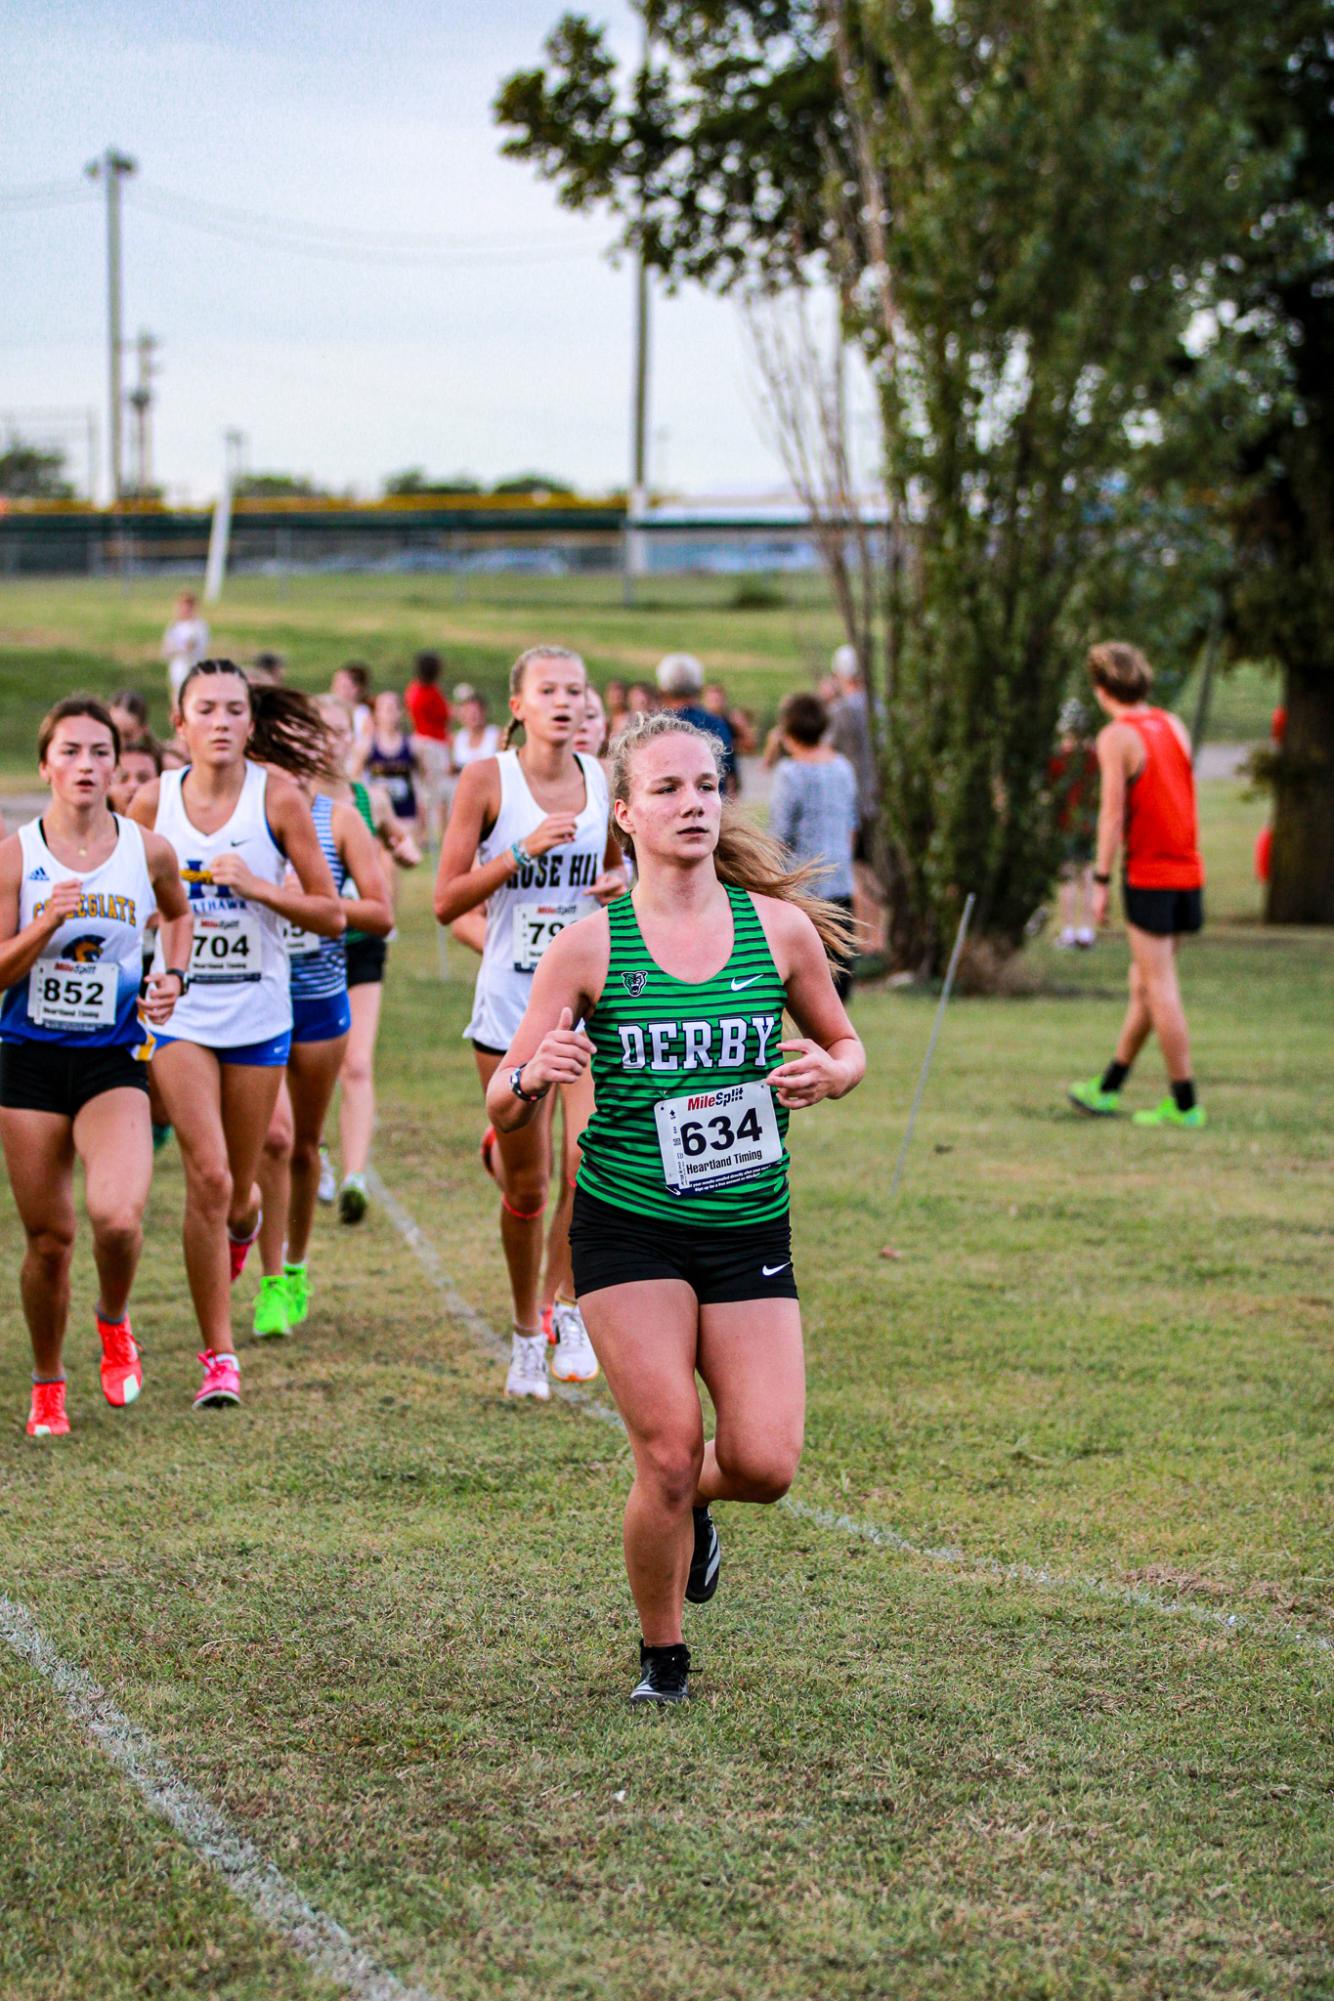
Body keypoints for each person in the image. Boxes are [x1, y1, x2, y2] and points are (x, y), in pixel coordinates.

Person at [486, 713, 864, 1704]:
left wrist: (830, 1072)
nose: (692, 803)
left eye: (704, 786)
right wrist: (535, 1075)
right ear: (626, 813)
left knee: (762, 1462)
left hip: (745, 1227)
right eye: (666, 789)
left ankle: (692, 1511)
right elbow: (501, 1094)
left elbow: (847, 1044)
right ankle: (664, 1659)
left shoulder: (775, 931)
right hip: (626, 1226)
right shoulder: (586, 948)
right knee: (662, 1451)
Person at [129, 664, 345, 1407]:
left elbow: (330, 912)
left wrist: (254, 884)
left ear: (252, 723)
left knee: (243, 1190)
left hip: (259, 1014)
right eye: (205, 710)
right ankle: (218, 1357)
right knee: (210, 1176)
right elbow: (127, 902)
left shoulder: (277, 797)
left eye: (234, 709)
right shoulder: (152, 800)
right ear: (179, 723)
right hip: (181, 1013)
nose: (220, 721)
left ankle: (247, 1228)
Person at [434, 645, 626, 1398]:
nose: (566, 701)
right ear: (518, 704)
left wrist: (617, 884)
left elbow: (615, 876)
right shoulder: (488, 779)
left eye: (576, 690)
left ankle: (565, 1305)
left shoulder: (603, 778)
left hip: (585, 1007)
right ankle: (522, 1333)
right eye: (548, 689)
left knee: (593, 1162)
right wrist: (518, 851)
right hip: (510, 1007)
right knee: (529, 1187)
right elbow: (446, 900)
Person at [0, 698, 192, 1438]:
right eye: (71, 751)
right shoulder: (17, 857)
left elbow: (178, 916)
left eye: (99, 752)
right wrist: (44, 923)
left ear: (118, 763)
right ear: (46, 764)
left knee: (116, 1216)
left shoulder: (147, 850)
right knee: (49, 1240)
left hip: (113, 1058)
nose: (86, 765)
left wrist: (173, 975)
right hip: (29, 1061)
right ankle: (48, 1381)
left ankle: (114, 1319)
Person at [254, 763, 393, 1336]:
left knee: (301, 1146)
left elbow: (379, 915)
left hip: (315, 1001)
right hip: (248, 1003)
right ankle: (258, 1253)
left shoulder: (337, 820)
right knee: (268, 1140)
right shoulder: (240, 821)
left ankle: (291, 1269)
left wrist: (316, 900)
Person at [1068, 642, 1207, 1129]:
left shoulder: (1116, 737)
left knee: (1159, 987)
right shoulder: (1174, 725)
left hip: (1149, 875)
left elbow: (1111, 815)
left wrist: (1101, 881)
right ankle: (1107, 1087)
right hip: (1188, 872)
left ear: (1102, 690)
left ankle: (1185, 1103)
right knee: (1144, 986)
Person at [316, 696, 421, 1224]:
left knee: (356, 1064)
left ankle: (355, 1176)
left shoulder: (369, 798)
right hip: (306, 948)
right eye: (322, 731)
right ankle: (316, 1156)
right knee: (302, 1068)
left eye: (342, 732)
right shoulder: (288, 801)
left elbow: (403, 843)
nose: (333, 742)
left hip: (362, 943)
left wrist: (404, 852)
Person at [769, 691, 860, 1001]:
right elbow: (851, 825)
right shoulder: (843, 768)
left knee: (804, 987)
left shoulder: (791, 773)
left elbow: (780, 834)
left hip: (803, 889)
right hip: (840, 883)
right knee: (838, 986)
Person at [1048, 700, 1099, 948]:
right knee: (1086, 875)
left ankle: (1068, 930)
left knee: (1068, 876)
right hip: (1088, 822)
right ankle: (1087, 930)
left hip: (1067, 822)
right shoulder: (1093, 756)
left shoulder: (1060, 757)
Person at [655, 654, 737, 792]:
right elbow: (730, 776)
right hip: (712, 805)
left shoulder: (656, 728)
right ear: (698, 688)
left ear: (663, 690)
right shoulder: (715, 724)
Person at [355, 688, 425, 838]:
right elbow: (355, 778)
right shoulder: (366, 745)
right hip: (377, 813)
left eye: (393, 709)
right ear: (376, 713)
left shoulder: (413, 745)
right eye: (385, 709)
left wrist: (422, 808)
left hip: (406, 812)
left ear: (401, 712)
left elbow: (423, 777)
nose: (390, 714)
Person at [404, 651, 452, 846]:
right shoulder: (431, 693)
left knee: (423, 790)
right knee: (435, 791)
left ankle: (422, 833)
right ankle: (435, 834)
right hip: (433, 743)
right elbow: (443, 715)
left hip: (418, 739)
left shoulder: (413, 689)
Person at [161, 592, 210, 705]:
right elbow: (167, 648)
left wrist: (181, 648)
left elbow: (193, 646)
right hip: (178, 666)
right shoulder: (174, 626)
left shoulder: (199, 626)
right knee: (177, 696)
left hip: (193, 666)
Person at [452, 687, 502, 770]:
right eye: (467, 712)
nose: (472, 716)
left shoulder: (497, 735)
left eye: (476, 712)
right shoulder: (457, 738)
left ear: (484, 712)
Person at [331, 663, 373, 747]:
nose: (333, 690)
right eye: (334, 685)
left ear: (355, 689)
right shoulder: (330, 712)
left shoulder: (363, 714)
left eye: (341, 686)